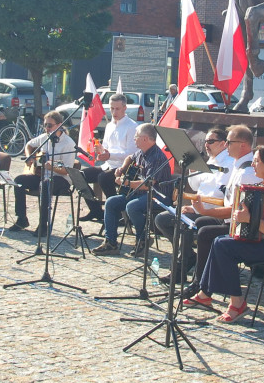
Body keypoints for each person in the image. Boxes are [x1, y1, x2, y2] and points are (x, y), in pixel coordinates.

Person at [183, 146, 264, 323]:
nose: (253, 165)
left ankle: (237, 303)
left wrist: (249, 220)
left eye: (256, 161)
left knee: (224, 246)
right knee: (219, 241)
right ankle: (204, 293)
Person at [179, 125, 263, 296]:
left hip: (243, 228)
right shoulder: (237, 166)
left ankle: (202, 286)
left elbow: (235, 211)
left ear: (243, 145)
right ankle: (196, 277)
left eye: (229, 142)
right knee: (198, 223)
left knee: (205, 232)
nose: (226, 146)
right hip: (231, 220)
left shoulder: (246, 171)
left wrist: (205, 211)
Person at [152, 126, 233, 283]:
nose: (206, 145)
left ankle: (180, 269)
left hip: (214, 212)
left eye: (211, 141)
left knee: (184, 224)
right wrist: (192, 168)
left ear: (223, 143)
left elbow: (219, 195)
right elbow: (196, 186)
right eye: (205, 141)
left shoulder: (229, 164)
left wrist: (196, 208)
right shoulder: (210, 160)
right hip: (198, 208)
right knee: (161, 220)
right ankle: (188, 255)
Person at [92, 123, 172, 257]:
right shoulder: (142, 152)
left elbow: (148, 185)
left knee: (132, 206)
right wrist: (122, 169)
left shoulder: (157, 157)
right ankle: (110, 242)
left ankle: (142, 239)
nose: (134, 138)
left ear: (145, 139)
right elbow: (130, 157)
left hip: (158, 195)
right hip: (139, 193)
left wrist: (127, 182)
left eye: (137, 136)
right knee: (111, 202)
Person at [9, 111, 75, 235]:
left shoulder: (69, 144)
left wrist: (53, 166)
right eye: (45, 125)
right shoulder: (44, 137)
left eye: (50, 125)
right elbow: (29, 144)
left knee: (45, 184)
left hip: (61, 178)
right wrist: (30, 157)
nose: (47, 128)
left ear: (59, 125)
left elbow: (68, 169)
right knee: (19, 181)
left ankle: (43, 224)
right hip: (42, 174)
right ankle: (21, 218)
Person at [81, 94, 138, 221]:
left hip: (123, 167)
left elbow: (131, 153)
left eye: (117, 109)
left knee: (103, 178)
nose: (114, 112)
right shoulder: (109, 125)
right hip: (108, 164)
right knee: (80, 175)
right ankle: (95, 209)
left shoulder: (132, 126)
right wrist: (101, 150)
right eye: (112, 108)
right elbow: (107, 147)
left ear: (125, 108)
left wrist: (110, 155)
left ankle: (116, 213)